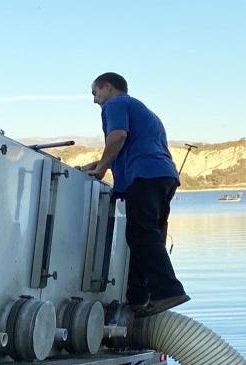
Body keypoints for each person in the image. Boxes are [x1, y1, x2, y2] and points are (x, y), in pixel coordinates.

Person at [79, 72, 189, 316]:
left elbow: (117, 137)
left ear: (107, 87)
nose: (95, 100)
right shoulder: (145, 112)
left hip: (144, 176)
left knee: (142, 233)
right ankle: (139, 298)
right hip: (163, 176)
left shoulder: (116, 104)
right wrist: (96, 164)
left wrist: (102, 169)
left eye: (95, 93)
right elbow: (130, 147)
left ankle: (168, 291)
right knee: (147, 235)